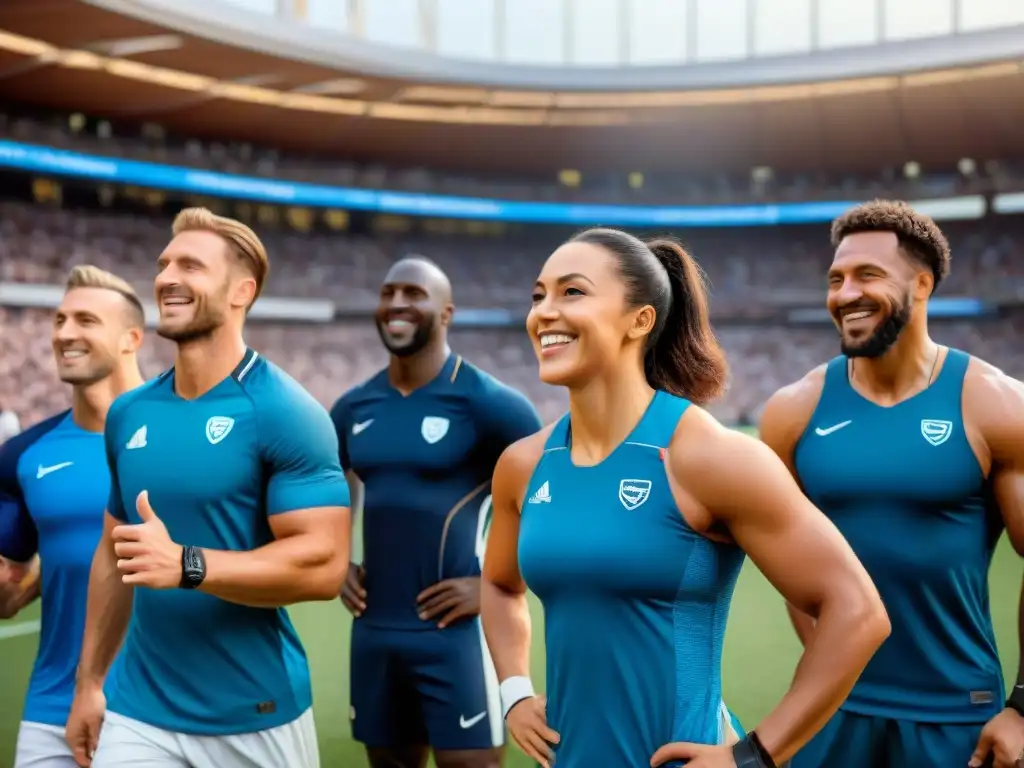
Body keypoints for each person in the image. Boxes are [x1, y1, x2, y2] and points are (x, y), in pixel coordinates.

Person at [481, 228, 892, 768]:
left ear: (640, 319)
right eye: (538, 296)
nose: (544, 313)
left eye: (572, 292)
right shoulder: (523, 465)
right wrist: (513, 693)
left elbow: (858, 613)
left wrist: (756, 755)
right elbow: (497, 583)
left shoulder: (708, 457)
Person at [64, 208, 351, 768]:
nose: (167, 276)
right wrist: (90, 682)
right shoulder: (129, 413)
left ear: (241, 291)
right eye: (164, 263)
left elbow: (323, 566)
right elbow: (114, 552)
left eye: (191, 265)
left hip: (253, 711)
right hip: (138, 712)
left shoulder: (286, 412)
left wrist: (189, 564)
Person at [760, 200, 1024, 768]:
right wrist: (830, 665)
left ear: (922, 284)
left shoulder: (994, 404)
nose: (844, 293)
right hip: (828, 712)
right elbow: (781, 560)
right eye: (836, 279)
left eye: (867, 276)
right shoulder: (793, 410)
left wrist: (1023, 707)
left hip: (956, 713)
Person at [331, 256, 542, 768]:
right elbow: (332, 492)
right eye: (388, 293)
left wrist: (496, 584)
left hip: (460, 636)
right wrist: (337, 561)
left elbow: (552, 501)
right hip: (375, 631)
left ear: (445, 313)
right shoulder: (353, 407)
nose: (397, 304)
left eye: (413, 293)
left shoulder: (492, 404)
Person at [0, 266, 145, 768]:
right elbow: (8, 593)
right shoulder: (23, 454)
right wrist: (22, 580)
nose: (64, 333)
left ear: (132, 338)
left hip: (158, 711)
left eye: (85, 319)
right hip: (51, 711)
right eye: (60, 320)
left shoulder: (185, 436)